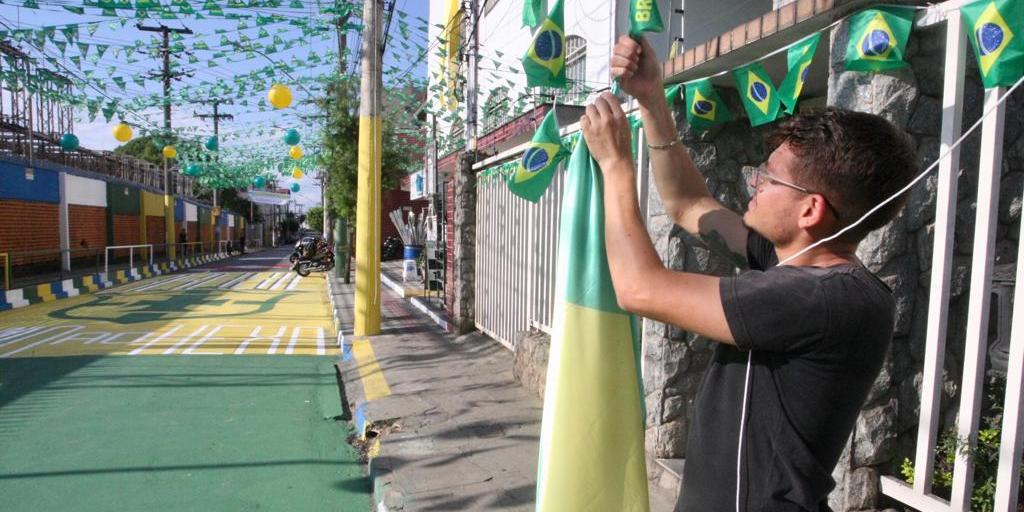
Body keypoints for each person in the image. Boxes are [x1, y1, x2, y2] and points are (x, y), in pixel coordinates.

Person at [579, 35, 918, 512]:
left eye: (770, 177)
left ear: (810, 210)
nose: (754, 181)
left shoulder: (821, 298)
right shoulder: (798, 263)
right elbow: (688, 204)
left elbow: (639, 289)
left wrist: (616, 165)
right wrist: (653, 98)